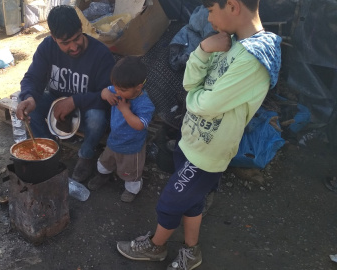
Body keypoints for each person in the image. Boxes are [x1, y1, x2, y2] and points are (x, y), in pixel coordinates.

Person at [116, 0, 281, 269]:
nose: (208, 17)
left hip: (207, 152)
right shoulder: (228, 42)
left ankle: (156, 247)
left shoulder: (253, 59)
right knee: (191, 201)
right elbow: (190, 82)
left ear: (233, 5)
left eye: (211, 9)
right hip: (191, 138)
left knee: (170, 203)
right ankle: (191, 251)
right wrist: (204, 49)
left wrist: (195, 98)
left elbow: (205, 105)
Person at [16, 5, 115, 182]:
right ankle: (51, 151)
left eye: (76, 38)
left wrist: (74, 101)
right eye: (65, 43)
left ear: (81, 29)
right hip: (56, 101)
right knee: (29, 105)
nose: (74, 46)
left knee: (96, 118)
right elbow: (32, 77)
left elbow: (107, 97)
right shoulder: (47, 47)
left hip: (89, 107)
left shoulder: (101, 54)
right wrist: (28, 97)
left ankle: (86, 155)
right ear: (53, 38)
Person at [87, 56, 155, 202]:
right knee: (106, 162)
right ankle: (103, 175)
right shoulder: (118, 90)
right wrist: (107, 94)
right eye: (115, 87)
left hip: (132, 146)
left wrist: (125, 110)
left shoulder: (144, 103)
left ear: (138, 87)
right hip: (114, 141)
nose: (117, 91)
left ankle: (131, 190)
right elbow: (105, 91)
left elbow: (139, 125)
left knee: (131, 172)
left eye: (122, 89)